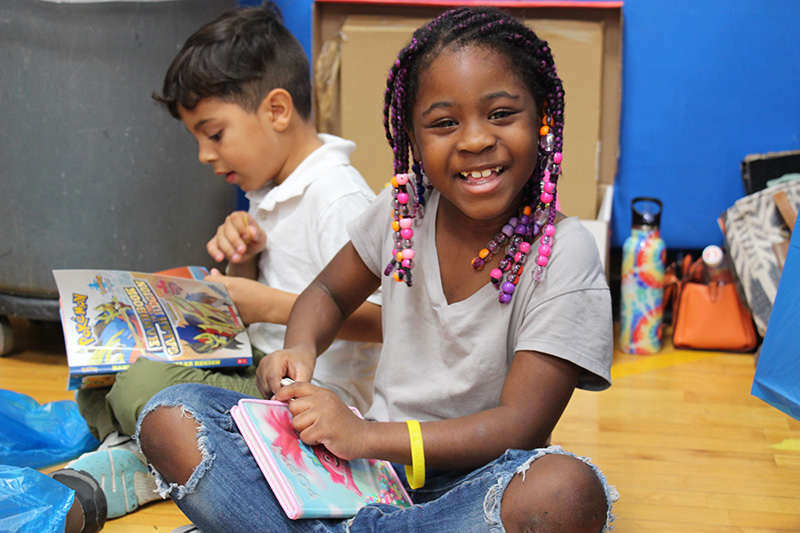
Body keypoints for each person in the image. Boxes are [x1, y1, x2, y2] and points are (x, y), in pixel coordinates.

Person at [137, 5, 618, 532]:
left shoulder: (565, 253)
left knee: (565, 493)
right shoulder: (405, 210)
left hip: (473, 484)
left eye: (501, 114)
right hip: (368, 473)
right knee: (172, 416)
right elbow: (328, 292)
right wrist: (299, 347)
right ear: (410, 137)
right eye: (443, 123)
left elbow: (520, 425)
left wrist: (366, 436)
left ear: (543, 114)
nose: (475, 140)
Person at [51, 3, 381, 531]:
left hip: (312, 401)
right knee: (102, 375)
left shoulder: (338, 197)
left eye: (215, 133)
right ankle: (164, 451)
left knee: (142, 384)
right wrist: (244, 265)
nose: (205, 155)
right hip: (257, 366)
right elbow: (257, 306)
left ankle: (151, 463)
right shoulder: (270, 190)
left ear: (276, 110)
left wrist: (263, 304)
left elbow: (385, 320)